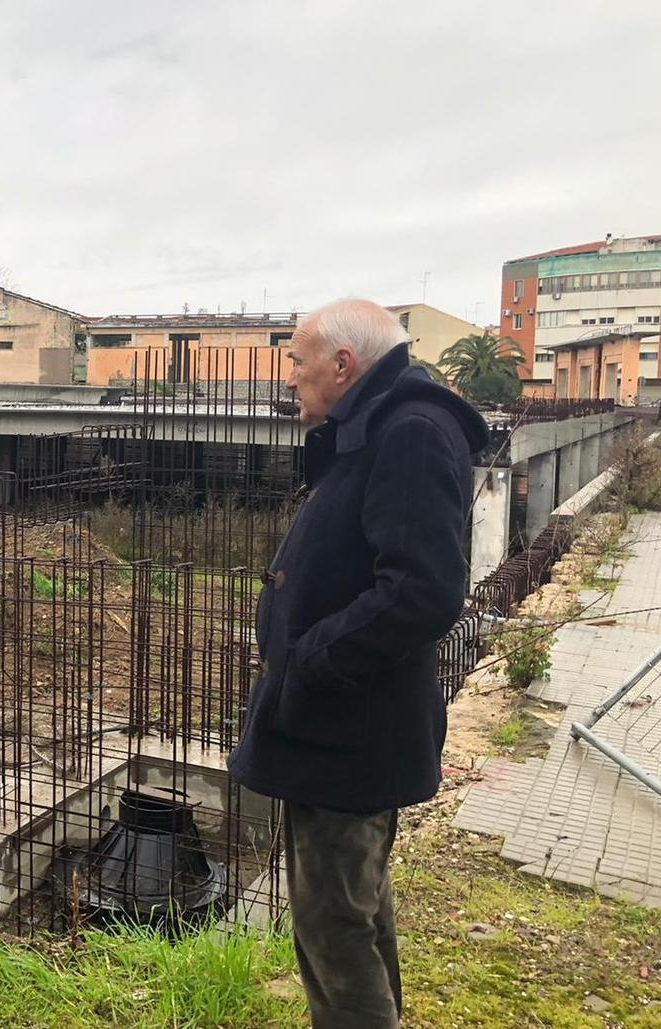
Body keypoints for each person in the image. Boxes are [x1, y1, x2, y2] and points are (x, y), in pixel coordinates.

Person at [227, 298, 488, 1028]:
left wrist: (309, 658)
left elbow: (422, 591)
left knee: (332, 923)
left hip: (350, 728)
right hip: (343, 725)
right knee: (355, 909)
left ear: (344, 366)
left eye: (298, 364)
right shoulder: (383, 425)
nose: (290, 379)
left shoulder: (409, 433)